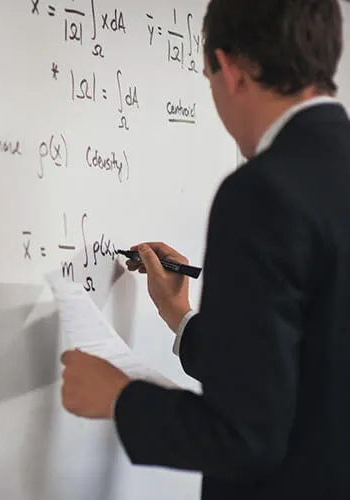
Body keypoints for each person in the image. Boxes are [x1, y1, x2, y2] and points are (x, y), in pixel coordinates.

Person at [60, 0, 350, 498]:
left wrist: (121, 398)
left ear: (233, 70)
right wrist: (181, 318)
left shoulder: (261, 192)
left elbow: (246, 439)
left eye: (207, 77)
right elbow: (308, 361)